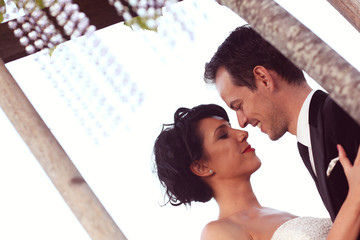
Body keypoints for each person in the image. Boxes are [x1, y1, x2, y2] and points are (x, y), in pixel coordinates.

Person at [203, 25, 360, 223]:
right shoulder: (308, 144)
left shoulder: (342, 112)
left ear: (263, 79)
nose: (241, 122)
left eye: (239, 105)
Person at [153, 104, 360, 240]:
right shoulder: (217, 233)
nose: (242, 133)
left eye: (232, 128)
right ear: (201, 167)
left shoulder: (278, 213)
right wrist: (355, 197)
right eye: (223, 135)